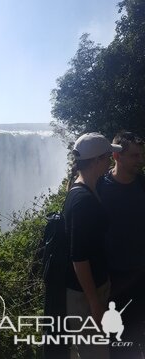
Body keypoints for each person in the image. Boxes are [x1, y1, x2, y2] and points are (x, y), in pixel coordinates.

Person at [64, 132, 120, 358]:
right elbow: (79, 258)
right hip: (84, 296)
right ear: (97, 161)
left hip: (92, 290)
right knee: (94, 353)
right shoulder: (82, 201)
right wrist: (94, 303)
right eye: (108, 157)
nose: (110, 161)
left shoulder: (87, 189)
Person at [97, 131, 145, 357]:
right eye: (135, 156)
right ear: (117, 156)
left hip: (140, 274)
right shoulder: (99, 187)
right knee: (115, 338)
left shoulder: (143, 185)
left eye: (141, 155)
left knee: (136, 334)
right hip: (112, 277)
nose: (141, 161)